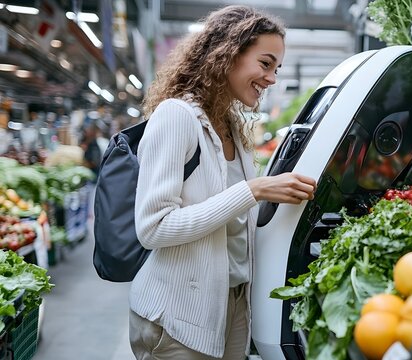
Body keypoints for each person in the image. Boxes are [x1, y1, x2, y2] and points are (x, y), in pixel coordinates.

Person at [129, 5, 317, 360]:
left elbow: (230, 219)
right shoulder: (176, 117)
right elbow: (152, 228)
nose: (272, 78)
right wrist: (254, 190)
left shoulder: (231, 125)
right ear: (228, 53)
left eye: (276, 68)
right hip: (175, 318)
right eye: (265, 64)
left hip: (229, 308)